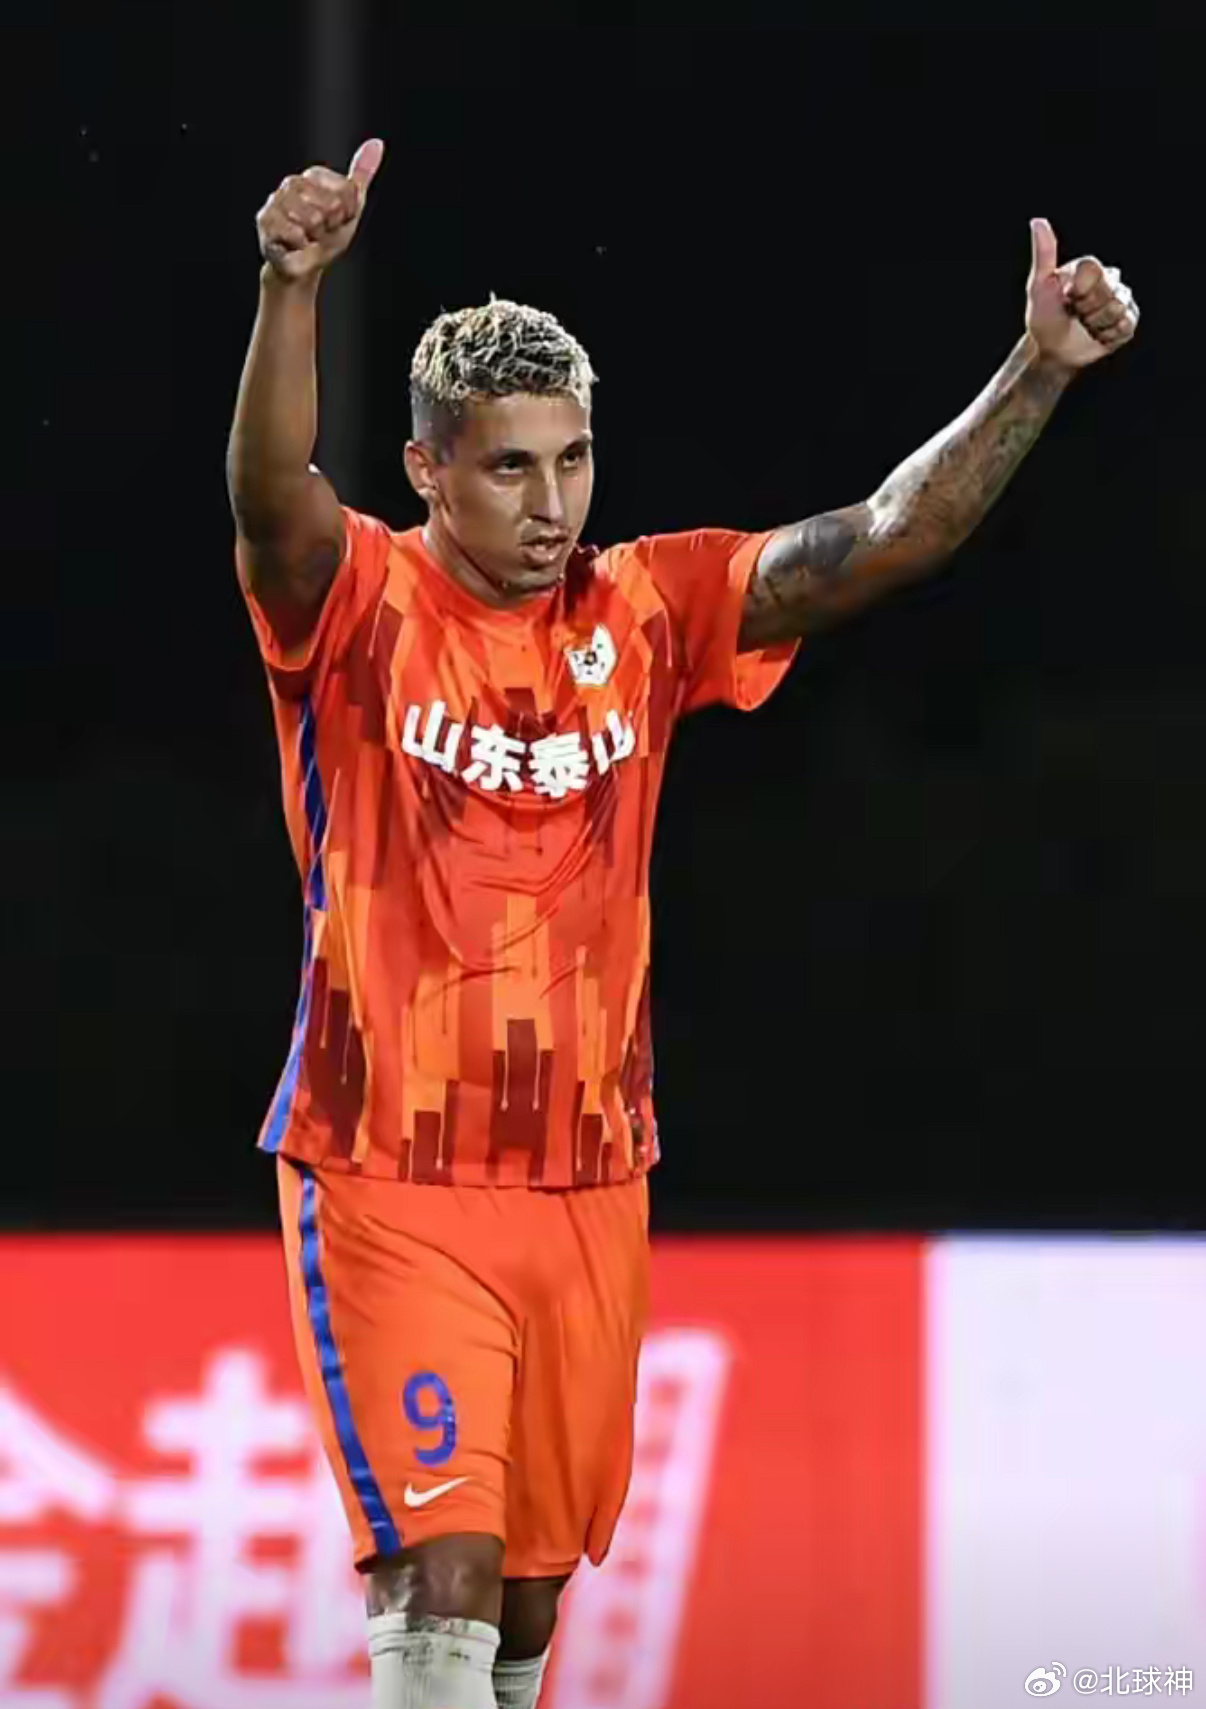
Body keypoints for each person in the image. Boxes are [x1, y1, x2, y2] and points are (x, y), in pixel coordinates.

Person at [226, 135, 1138, 1709]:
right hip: (387, 1166)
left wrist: (1034, 372)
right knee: (437, 1572)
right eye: (509, 467)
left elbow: (885, 535)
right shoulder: (355, 600)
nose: (551, 503)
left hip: (590, 1174)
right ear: (428, 469)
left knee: (522, 1601)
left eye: (573, 460)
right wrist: (289, 286)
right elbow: (267, 494)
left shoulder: (644, 610)